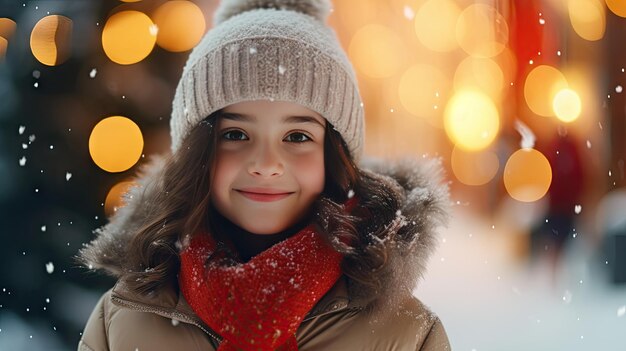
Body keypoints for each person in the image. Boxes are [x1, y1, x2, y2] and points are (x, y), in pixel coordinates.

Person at [77, 0, 451, 350]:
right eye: (236, 134)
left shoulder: (405, 335)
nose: (266, 163)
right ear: (198, 153)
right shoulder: (122, 323)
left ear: (333, 156)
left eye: (298, 136)